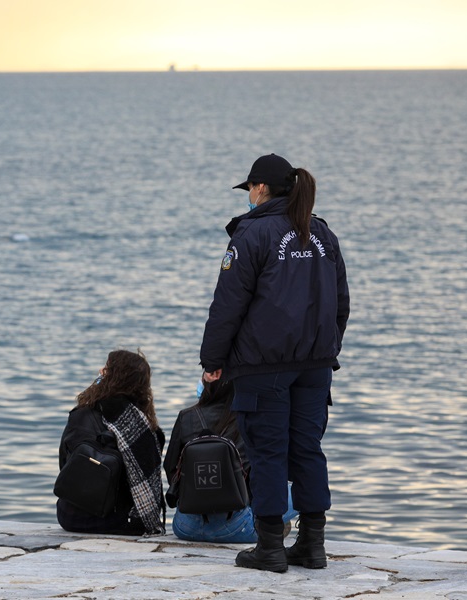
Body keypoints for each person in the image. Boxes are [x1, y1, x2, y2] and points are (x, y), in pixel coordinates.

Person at [200, 154, 350, 572]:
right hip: (316, 365)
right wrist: (326, 347)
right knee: (307, 449)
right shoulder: (321, 233)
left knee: (267, 454)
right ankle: (311, 546)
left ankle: (269, 548)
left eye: (249, 188)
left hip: (264, 366)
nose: (248, 195)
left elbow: (228, 304)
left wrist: (212, 360)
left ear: (261, 189)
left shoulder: (252, 234)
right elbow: (341, 303)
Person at [163, 378, 297, 543]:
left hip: (185, 527)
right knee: (300, 490)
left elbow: (170, 467)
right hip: (237, 528)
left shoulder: (186, 416)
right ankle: (282, 529)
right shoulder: (250, 418)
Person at [56, 349, 166, 536]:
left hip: (71, 516)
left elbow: (65, 465)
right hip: (123, 522)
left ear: (113, 378)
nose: (100, 371)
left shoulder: (81, 414)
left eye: (106, 369)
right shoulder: (146, 428)